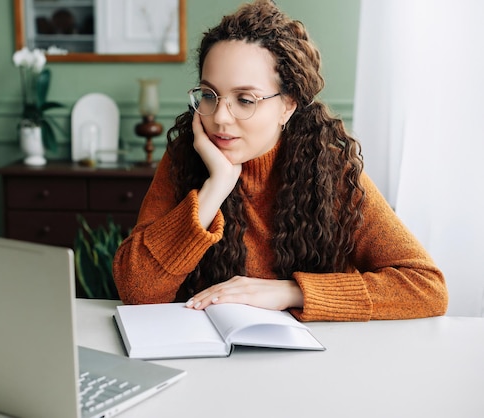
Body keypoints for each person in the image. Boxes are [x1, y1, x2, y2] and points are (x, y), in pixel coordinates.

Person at [112, 0, 448, 321]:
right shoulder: (186, 159)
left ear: (287, 105)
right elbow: (136, 290)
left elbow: (426, 287)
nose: (220, 118)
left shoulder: (330, 170)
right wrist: (215, 188)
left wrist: (290, 292)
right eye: (210, 96)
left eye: (245, 100)